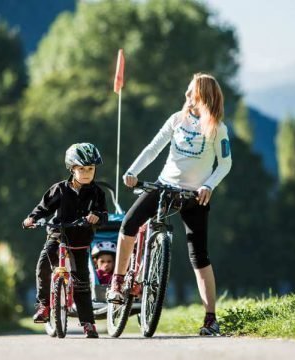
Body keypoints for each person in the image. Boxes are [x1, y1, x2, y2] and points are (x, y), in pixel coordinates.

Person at [106, 73, 232, 336]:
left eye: (191, 93)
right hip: (164, 186)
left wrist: (208, 185)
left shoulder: (218, 128)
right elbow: (153, 148)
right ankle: (118, 283)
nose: (186, 96)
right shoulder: (177, 119)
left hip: (194, 197)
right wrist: (133, 171)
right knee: (129, 224)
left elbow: (225, 163)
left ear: (203, 97)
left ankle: (210, 319)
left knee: (200, 256)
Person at [23, 143, 108, 338]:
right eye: (81, 169)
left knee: (81, 283)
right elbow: (43, 208)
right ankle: (44, 305)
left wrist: (97, 216)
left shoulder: (97, 193)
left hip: (81, 240)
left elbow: (103, 215)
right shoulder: (59, 189)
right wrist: (32, 218)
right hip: (58, 235)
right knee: (44, 265)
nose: (86, 173)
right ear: (72, 169)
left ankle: (88, 323)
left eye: (90, 169)